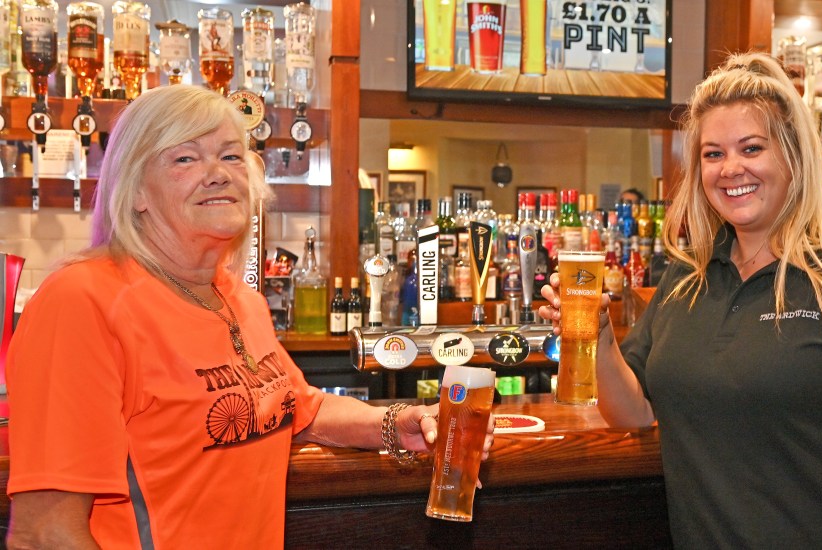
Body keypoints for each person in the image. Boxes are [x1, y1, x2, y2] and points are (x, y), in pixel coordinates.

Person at [5, 85, 493, 548]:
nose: (218, 172)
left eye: (231, 155)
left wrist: (396, 422)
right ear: (136, 192)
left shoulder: (237, 298)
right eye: (185, 157)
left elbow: (298, 407)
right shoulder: (82, 300)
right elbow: (45, 534)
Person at [540, 52, 822, 548]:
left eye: (751, 148)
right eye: (712, 154)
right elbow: (634, 413)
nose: (730, 168)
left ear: (793, 155)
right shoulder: (688, 274)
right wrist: (600, 336)